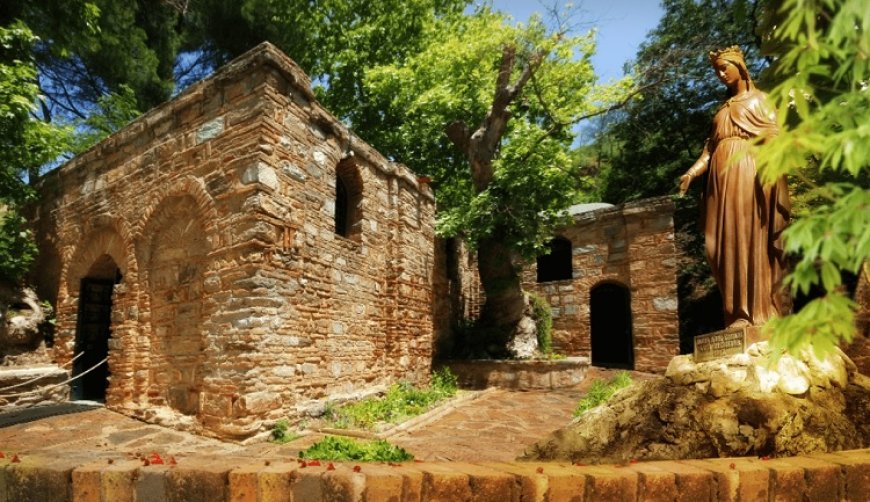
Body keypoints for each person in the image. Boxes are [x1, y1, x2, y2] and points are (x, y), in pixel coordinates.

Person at [679, 45, 790, 328]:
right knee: (721, 245)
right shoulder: (721, 111)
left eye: (724, 68)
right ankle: (735, 313)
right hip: (719, 184)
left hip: (748, 172)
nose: (720, 74)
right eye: (716, 71)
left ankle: (758, 312)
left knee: (748, 236)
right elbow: (708, 151)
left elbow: (776, 137)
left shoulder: (761, 100)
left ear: (740, 66)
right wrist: (691, 173)